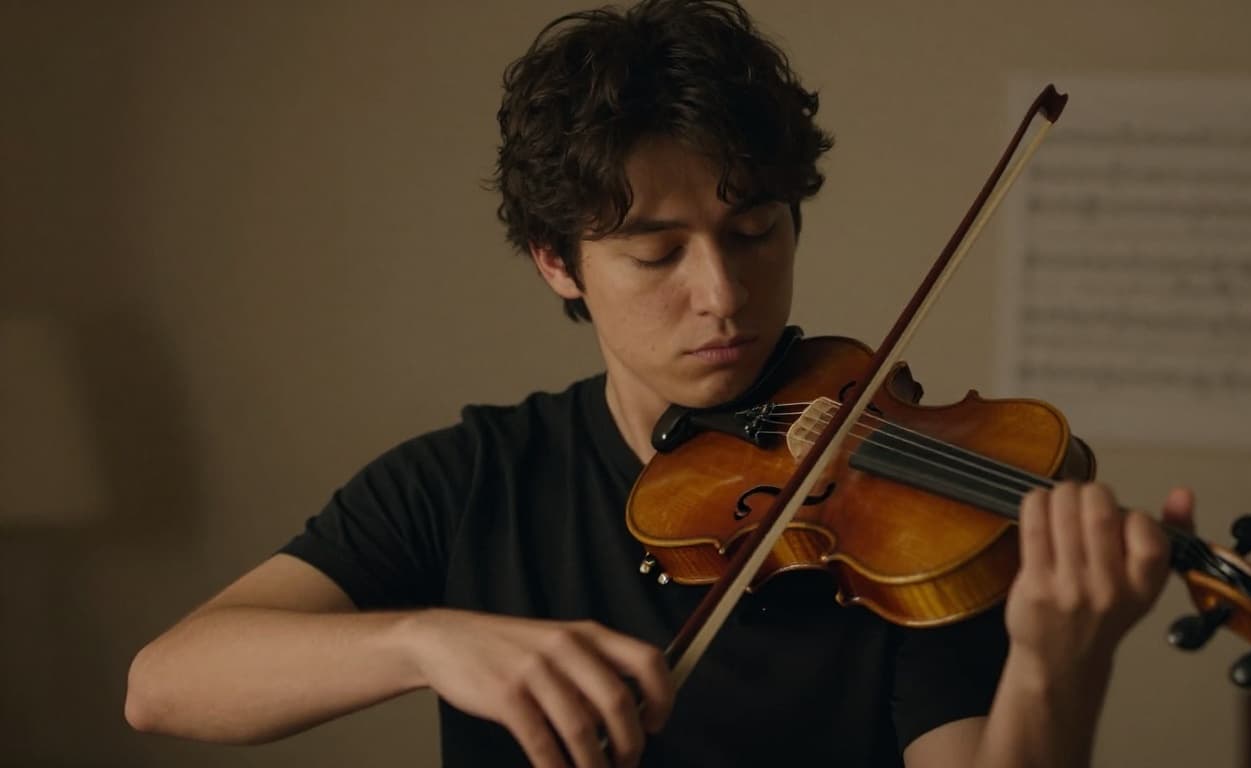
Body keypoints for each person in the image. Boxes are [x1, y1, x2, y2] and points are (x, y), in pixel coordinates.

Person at [125, 1, 1196, 766]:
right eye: (655, 254)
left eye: (754, 232)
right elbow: (165, 685)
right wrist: (425, 639)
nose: (723, 295)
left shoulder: (903, 515)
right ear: (558, 260)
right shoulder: (475, 481)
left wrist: (1061, 664)